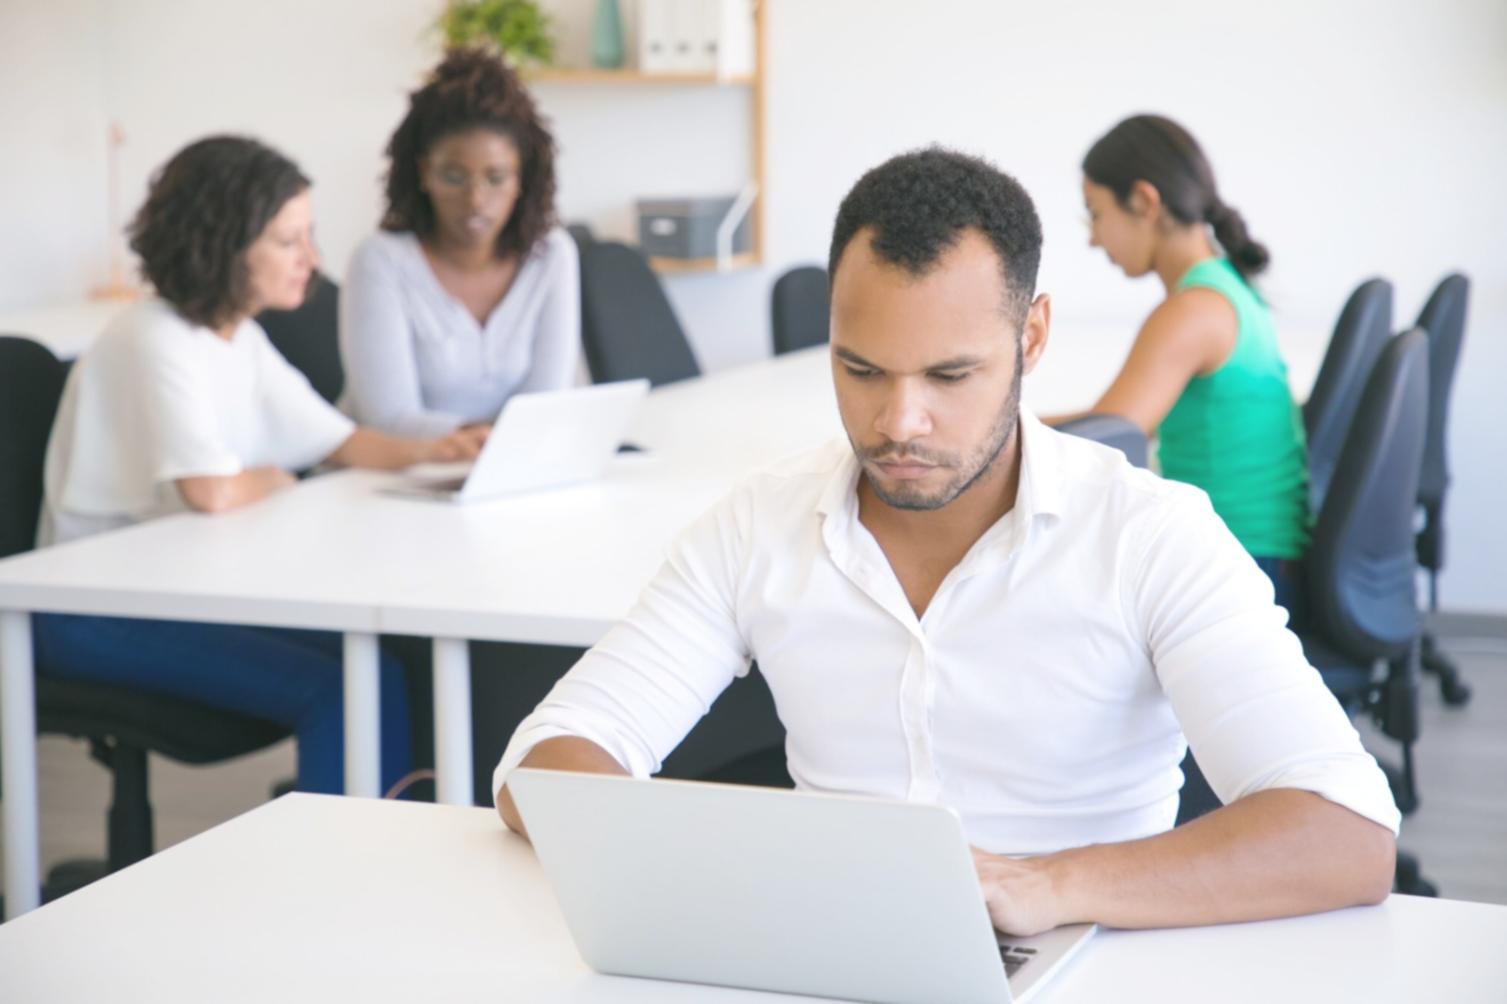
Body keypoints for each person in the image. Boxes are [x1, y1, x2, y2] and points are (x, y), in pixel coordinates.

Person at [491, 148, 1399, 937]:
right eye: (859, 370)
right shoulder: (759, 523)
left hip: (1086, 954)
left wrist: (1049, 885)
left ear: (1029, 337)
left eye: (950, 374)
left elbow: (1346, 834)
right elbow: (550, 754)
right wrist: (733, 871)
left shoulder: (1149, 536)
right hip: (826, 954)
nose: (898, 421)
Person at [36, 135, 483, 794]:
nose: (311, 259)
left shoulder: (237, 337)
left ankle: (382, 842)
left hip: (174, 588)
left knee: (384, 664)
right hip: (88, 613)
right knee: (335, 686)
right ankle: (337, 871)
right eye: (287, 241)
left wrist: (446, 450)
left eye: (309, 236)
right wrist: (278, 477)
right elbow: (211, 493)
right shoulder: (155, 336)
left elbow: (339, 441)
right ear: (224, 243)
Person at [1055, 114, 1310, 620]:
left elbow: (1106, 441)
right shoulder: (1223, 287)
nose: (1093, 238)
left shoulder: (1195, 310)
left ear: (1145, 201)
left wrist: (993, 425)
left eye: (1096, 213)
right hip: (1271, 556)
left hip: (1247, 567)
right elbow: (1117, 423)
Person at [339, 47, 580, 438]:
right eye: (454, 177)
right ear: (424, 173)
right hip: (389, 480)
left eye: (496, 178)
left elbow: (546, 403)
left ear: (522, 180)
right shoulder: (379, 261)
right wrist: (495, 441)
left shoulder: (551, 256)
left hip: (504, 474)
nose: (475, 201)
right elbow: (388, 420)